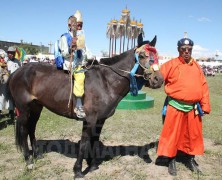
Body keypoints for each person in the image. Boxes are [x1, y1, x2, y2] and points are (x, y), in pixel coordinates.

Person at [156, 35, 211, 176]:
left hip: (193, 108)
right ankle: (171, 159)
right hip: (175, 106)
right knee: (172, 134)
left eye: (189, 49)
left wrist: (205, 105)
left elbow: (203, 86)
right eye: (183, 49)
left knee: (192, 135)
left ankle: (190, 158)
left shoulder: (197, 66)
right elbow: (158, 78)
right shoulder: (170, 64)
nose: (186, 51)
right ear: (178, 50)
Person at [59, 10, 86, 119]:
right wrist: (71, 48)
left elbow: (84, 51)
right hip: (70, 64)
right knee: (80, 77)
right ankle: (78, 106)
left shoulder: (81, 36)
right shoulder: (64, 37)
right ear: (70, 25)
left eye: (80, 25)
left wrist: (91, 56)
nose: (79, 28)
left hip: (81, 63)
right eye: (77, 25)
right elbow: (64, 52)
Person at [6, 46, 21, 119]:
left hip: (16, 83)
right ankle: (10, 111)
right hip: (6, 82)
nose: (12, 55)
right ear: (7, 53)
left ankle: (14, 111)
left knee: (15, 98)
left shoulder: (17, 62)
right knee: (7, 97)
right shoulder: (5, 61)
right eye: (10, 53)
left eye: (13, 53)